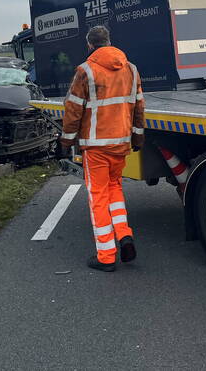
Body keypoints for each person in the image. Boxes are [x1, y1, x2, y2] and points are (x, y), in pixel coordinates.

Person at [60, 26, 145, 272]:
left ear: (90, 45)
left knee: (98, 197)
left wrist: (65, 142)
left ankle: (106, 255)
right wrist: (137, 139)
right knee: (115, 189)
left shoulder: (85, 70)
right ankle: (124, 234)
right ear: (109, 42)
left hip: (96, 147)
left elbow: (73, 110)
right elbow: (139, 108)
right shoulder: (131, 68)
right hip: (121, 144)